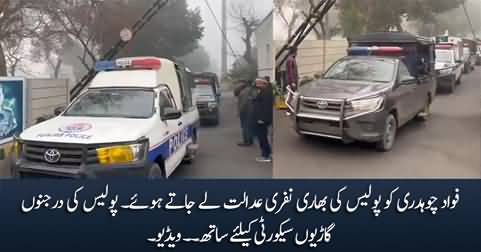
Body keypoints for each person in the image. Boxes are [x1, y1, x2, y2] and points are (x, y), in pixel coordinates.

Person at [252, 78, 274, 163]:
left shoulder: (266, 92)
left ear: (263, 84)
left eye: (258, 83)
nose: (256, 85)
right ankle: (266, 154)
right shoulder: (264, 90)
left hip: (262, 119)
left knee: (262, 137)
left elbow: (266, 107)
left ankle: (266, 156)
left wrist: (262, 119)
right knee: (262, 137)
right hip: (261, 118)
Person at [233, 80, 256, 147]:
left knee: (245, 127)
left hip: (246, 112)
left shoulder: (243, 93)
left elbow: (243, 104)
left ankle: (246, 142)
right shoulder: (250, 90)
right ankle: (250, 141)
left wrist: (239, 112)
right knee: (250, 126)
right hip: (252, 111)